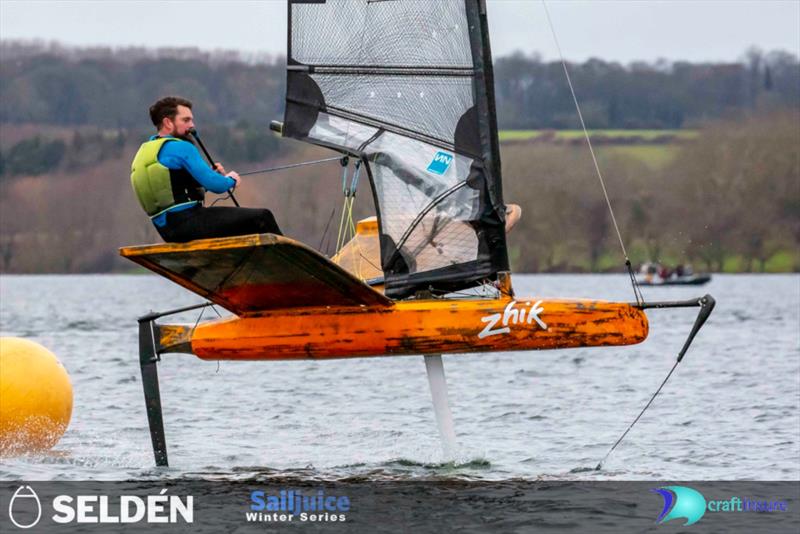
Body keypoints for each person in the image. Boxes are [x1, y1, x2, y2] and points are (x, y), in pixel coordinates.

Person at [130, 96, 282, 242]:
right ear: (168, 122)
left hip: (167, 232)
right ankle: (296, 264)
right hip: (190, 223)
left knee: (243, 223)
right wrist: (231, 180)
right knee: (262, 217)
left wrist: (208, 176)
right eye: (186, 120)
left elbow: (173, 193)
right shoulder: (181, 147)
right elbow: (217, 186)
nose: (192, 125)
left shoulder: (142, 154)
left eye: (191, 120)